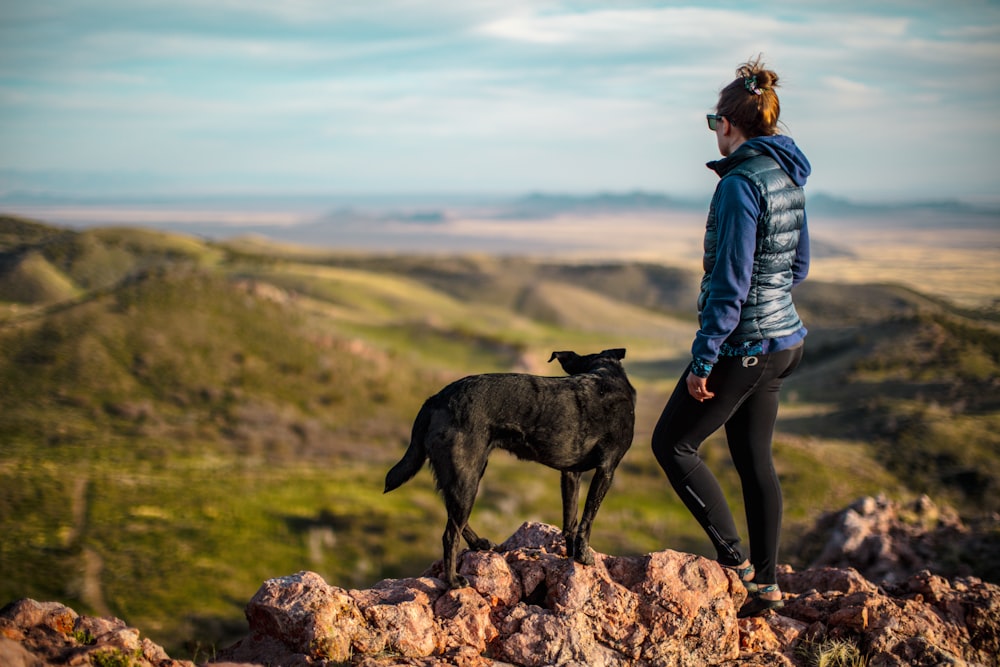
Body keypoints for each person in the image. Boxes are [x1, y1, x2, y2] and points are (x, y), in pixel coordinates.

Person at [650, 56, 811, 619]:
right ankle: (767, 587)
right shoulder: (786, 175)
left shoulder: (740, 183)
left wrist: (705, 357)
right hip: (784, 342)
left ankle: (739, 566)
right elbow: (798, 267)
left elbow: (730, 282)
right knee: (753, 460)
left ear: (728, 123)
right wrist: (770, 311)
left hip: (745, 345)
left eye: (712, 121)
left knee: (672, 445)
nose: (714, 131)